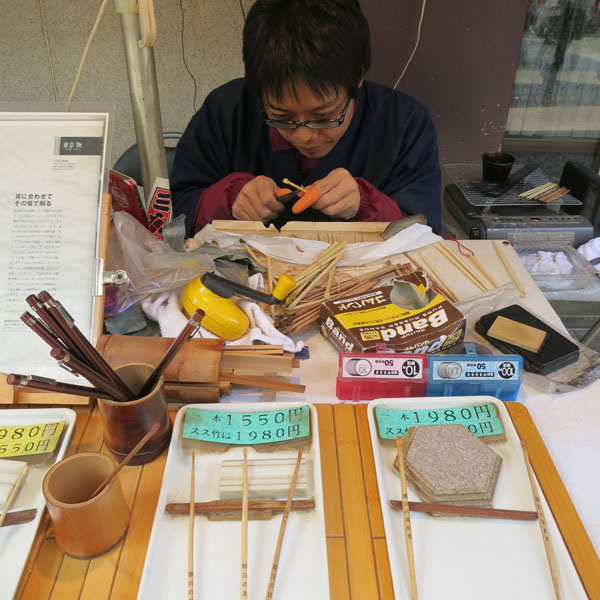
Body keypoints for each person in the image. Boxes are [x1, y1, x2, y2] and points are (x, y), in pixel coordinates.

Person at [171, 0, 441, 238]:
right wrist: (228, 199)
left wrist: (366, 204)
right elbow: (174, 215)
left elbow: (425, 235)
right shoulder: (227, 112)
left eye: (323, 116)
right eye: (282, 117)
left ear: (357, 78)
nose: (304, 136)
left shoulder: (404, 125)